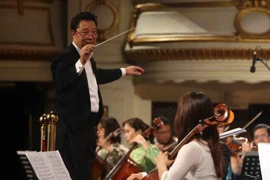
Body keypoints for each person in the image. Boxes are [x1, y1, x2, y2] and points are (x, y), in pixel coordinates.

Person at [50, 11, 144, 180]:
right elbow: (61, 83)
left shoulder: (89, 59)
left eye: (94, 32)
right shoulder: (64, 58)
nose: (91, 36)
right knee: (74, 175)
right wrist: (81, 61)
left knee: (87, 173)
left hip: (89, 128)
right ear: (74, 33)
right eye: (85, 32)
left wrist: (125, 71)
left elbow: (96, 76)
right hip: (72, 130)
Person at [128, 91, 224, 180]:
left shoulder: (192, 148)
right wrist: (144, 175)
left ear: (184, 118)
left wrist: (160, 163)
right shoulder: (207, 145)